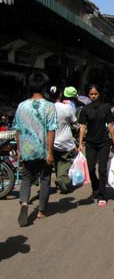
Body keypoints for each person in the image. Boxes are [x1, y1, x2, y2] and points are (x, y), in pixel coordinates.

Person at [13, 72, 58, 226]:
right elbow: (51, 130)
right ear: (44, 87)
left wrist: (19, 150)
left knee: (26, 179)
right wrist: (50, 152)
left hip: (27, 149)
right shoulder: (50, 107)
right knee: (45, 179)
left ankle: (24, 204)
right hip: (44, 150)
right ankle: (41, 211)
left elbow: (17, 130)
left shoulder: (21, 106)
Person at [78, 84, 114, 207]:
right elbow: (83, 126)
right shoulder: (85, 109)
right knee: (90, 168)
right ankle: (95, 186)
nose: (94, 96)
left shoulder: (106, 108)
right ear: (88, 95)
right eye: (91, 94)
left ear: (99, 94)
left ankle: (102, 195)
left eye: (95, 94)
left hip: (104, 142)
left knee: (102, 169)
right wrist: (80, 143)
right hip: (90, 143)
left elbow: (110, 125)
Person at [49, 86, 79, 194]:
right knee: (67, 161)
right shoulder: (67, 108)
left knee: (57, 161)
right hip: (66, 141)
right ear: (60, 95)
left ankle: (59, 180)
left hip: (52, 141)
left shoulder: (47, 108)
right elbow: (74, 122)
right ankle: (62, 179)